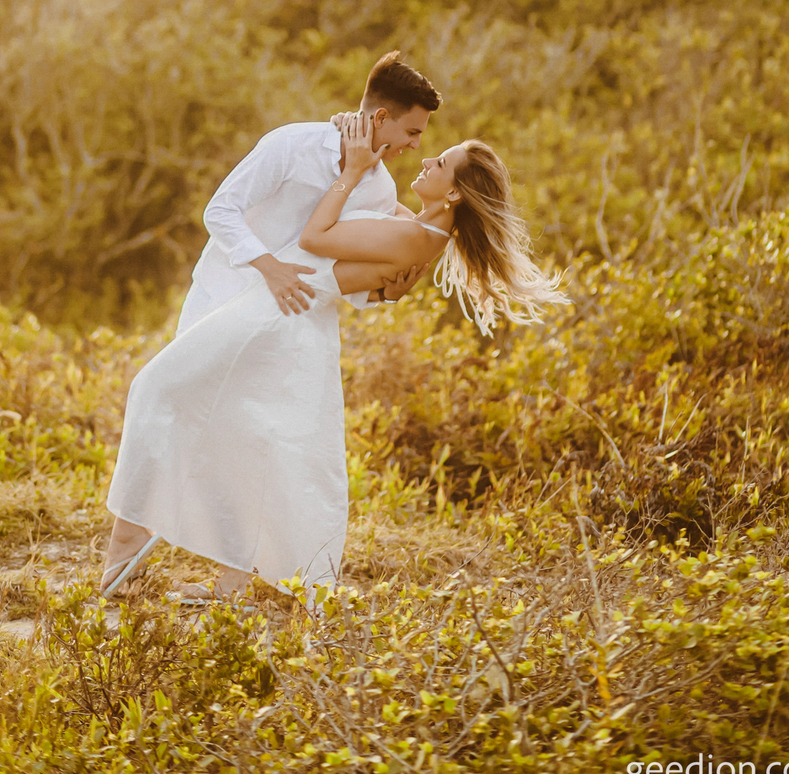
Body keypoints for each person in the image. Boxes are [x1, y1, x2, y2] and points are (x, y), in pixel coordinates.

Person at [99, 97, 566, 603]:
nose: (426, 156)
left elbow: (315, 238)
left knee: (160, 391)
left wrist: (353, 170)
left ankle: (138, 557)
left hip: (279, 314)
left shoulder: (417, 236)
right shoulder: (419, 226)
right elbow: (370, 259)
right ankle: (208, 576)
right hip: (283, 311)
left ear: (453, 191)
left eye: (441, 161)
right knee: (240, 432)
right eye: (422, 142)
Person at [174, 51, 442, 335]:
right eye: (412, 132)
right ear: (381, 118)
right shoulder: (291, 145)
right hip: (220, 301)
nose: (416, 145)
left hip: (288, 327)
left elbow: (337, 274)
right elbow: (220, 211)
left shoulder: (381, 190)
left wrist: (385, 293)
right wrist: (271, 268)